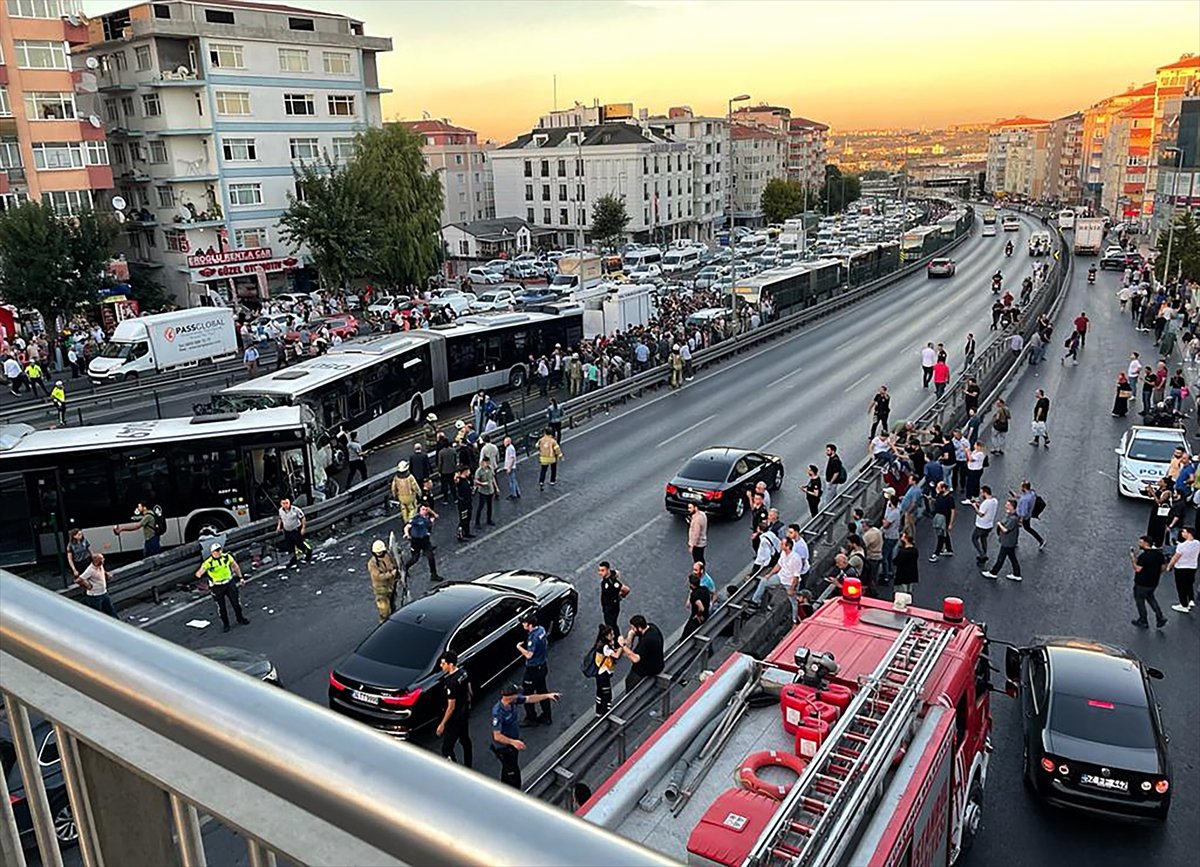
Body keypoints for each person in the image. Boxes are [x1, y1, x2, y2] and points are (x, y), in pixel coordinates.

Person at [491, 683, 562, 788]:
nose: (518, 696)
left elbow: (530, 698)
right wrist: (513, 742)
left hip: (513, 743)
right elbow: (497, 736)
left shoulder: (513, 702)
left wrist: (547, 695)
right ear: (510, 696)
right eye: (516, 694)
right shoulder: (498, 712)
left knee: (511, 769)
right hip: (505, 747)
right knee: (512, 772)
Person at [195, 543, 250, 633]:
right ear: (212, 552)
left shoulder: (227, 557)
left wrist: (241, 578)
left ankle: (240, 618)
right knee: (221, 607)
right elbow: (200, 572)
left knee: (236, 602)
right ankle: (226, 624)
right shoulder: (209, 563)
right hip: (217, 587)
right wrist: (200, 574)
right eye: (216, 551)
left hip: (229, 583)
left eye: (220, 550)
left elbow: (235, 566)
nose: (219, 552)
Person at [436, 651, 472, 768]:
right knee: (465, 740)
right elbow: (469, 689)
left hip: (455, 718)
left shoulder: (451, 683)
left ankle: (455, 768)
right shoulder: (463, 673)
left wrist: (442, 724)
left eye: (443, 664)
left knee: (446, 748)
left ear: (450, 664)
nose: (441, 666)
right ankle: (468, 765)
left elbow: (451, 706)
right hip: (464, 712)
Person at [1129, 535, 1168, 629]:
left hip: (1142, 583)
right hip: (1153, 583)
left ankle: (1143, 620)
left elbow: (1138, 569)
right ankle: (1160, 617)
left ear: (1146, 543)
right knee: (1151, 598)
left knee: (1140, 601)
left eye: (1140, 542)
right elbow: (1163, 568)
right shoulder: (1159, 555)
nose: (1139, 544)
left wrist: (1132, 559)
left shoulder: (1144, 556)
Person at [982, 499, 1022, 582]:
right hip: (1010, 541)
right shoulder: (1011, 514)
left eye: (1007, 504)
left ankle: (993, 573)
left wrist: (999, 524)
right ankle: (1017, 574)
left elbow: (1005, 530)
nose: (1005, 505)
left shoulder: (1013, 518)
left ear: (1012, 506)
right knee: (1012, 557)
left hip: (1007, 542)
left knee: (1001, 558)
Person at [622, 615, 664, 691]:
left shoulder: (647, 641)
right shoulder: (651, 627)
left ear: (639, 628)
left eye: (633, 628)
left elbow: (635, 659)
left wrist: (623, 645)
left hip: (648, 669)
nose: (632, 630)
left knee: (629, 682)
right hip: (658, 663)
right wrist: (630, 635)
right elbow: (630, 643)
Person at [591, 624, 622, 717]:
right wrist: (622, 646)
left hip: (599, 673)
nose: (613, 636)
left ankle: (599, 712)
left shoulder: (600, 643)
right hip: (604, 674)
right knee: (607, 695)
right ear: (605, 636)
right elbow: (616, 655)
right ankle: (606, 713)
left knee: (600, 692)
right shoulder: (605, 647)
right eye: (611, 635)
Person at [403, 504, 440, 581]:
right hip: (416, 541)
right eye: (423, 509)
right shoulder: (416, 519)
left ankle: (434, 575)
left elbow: (430, 524)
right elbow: (407, 526)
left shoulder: (427, 518)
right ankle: (405, 568)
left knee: (431, 557)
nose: (425, 511)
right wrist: (406, 533)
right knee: (415, 558)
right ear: (419, 510)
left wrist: (432, 520)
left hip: (425, 540)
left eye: (426, 510)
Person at [75, 552, 118, 618]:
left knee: (111, 610)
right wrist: (87, 585)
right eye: (101, 559)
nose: (104, 559)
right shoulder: (90, 570)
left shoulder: (100, 566)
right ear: (96, 560)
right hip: (95, 596)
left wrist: (107, 575)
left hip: (104, 593)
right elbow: (79, 580)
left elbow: (103, 572)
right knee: (97, 614)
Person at [367, 540, 398, 623]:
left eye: (381, 552)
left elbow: (394, 564)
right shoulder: (372, 563)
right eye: (378, 553)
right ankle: (384, 625)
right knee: (384, 611)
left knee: (393, 606)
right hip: (381, 589)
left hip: (391, 585)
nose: (380, 554)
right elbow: (378, 577)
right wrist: (391, 574)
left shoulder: (388, 556)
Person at [275, 497, 311, 567]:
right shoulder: (280, 511)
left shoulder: (295, 510)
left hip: (296, 529)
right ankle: (293, 560)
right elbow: (280, 518)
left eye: (286, 503)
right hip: (287, 531)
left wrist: (303, 528)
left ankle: (308, 551)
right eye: (283, 503)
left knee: (299, 544)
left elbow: (302, 518)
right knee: (290, 547)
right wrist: (279, 527)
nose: (285, 505)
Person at [1014, 480, 1046, 549]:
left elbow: (1024, 512)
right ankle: (1041, 540)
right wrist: (1018, 496)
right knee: (1024, 528)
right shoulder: (1032, 493)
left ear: (1024, 488)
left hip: (1022, 516)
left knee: (1025, 528)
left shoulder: (1024, 500)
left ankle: (1041, 540)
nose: (1020, 488)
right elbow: (1027, 498)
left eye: (1021, 486)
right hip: (1029, 514)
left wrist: (1020, 521)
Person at [929, 481, 955, 561]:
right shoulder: (939, 495)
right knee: (945, 533)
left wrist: (950, 523)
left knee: (941, 535)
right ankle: (949, 549)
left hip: (944, 519)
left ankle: (936, 553)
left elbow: (953, 511)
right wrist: (931, 500)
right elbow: (938, 502)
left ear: (943, 488)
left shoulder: (950, 498)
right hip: (938, 516)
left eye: (939, 487)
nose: (937, 489)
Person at [598, 561, 629, 629]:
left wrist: (621, 596)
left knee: (611, 625)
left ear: (608, 570)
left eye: (602, 570)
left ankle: (616, 637)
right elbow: (616, 572)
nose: (600, 573)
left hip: (611, 607)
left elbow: (626, 589)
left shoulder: (612, 583)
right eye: (599, 570)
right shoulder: (610, 574)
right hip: (606, 604)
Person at [473, 455, 499, 529]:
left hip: (490, 490)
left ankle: (489, 519)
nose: (487, 464)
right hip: (483, 491)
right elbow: (476, 481)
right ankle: (477, 522)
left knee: (490, 506)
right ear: (482, 463)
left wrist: (496, 487)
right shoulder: (479, 471)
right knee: (480, 507)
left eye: (488, 462)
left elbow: (492, 478)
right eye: (486, 463)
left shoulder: (490, 469)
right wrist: (482, 483)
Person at [893, 531, 919, 596]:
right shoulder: (915, 550)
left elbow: (896, 561)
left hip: (902, 575)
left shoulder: (903, 552)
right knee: (908, 590)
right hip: (911, 574)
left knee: (901, 592)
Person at [684, 571, 711, 636]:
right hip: (706, 614)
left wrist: (698, 614)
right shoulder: (705, 589)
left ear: (692, 584)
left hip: (698, 618)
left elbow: (701, 608)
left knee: (686, 634)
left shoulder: (695, 595)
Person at [503, 435, 521, 500]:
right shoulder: (510, 448)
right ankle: (517, 492)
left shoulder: (510, 448)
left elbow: (512, 458)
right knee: (514, 480)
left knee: (511, 481)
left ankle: (513, 494)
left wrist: (509, 467)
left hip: (510, 467)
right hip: (511, 466)